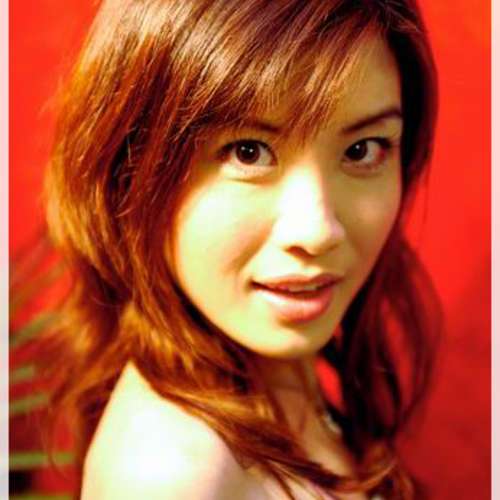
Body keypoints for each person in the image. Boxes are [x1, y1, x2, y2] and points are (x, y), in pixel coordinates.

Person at [43, 0, 441, 498]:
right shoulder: (170, 475)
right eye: (247, 152)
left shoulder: (273, 371)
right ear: (129, 169)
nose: (317, 230)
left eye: (362, 150)